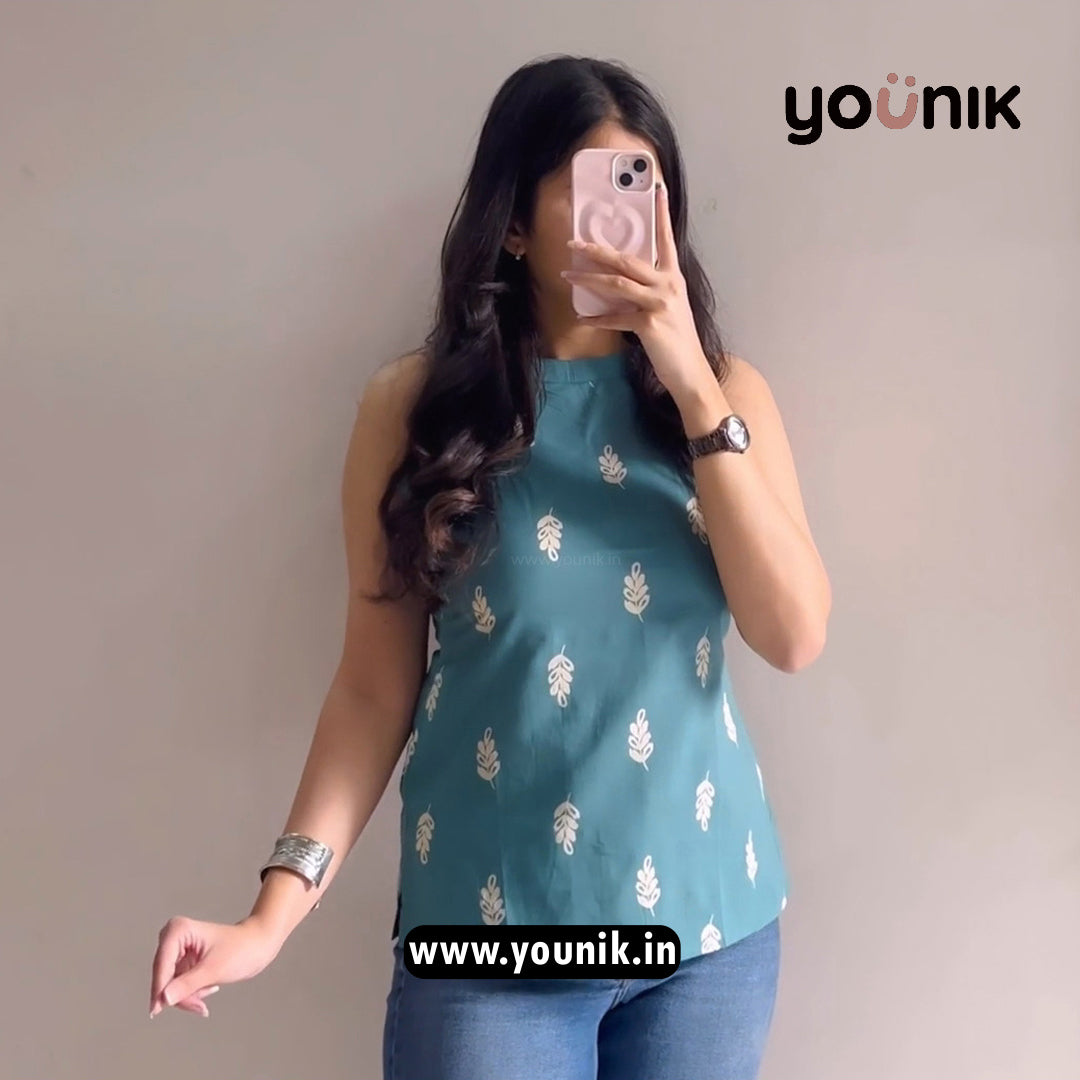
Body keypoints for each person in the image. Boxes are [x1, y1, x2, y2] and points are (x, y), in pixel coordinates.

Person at [149, 55, 830, 1080]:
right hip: (491, 940)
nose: (629, 221)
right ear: (513, 224)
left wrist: (692, 383)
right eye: (597, 188)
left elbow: (794, 635)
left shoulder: (729, 397)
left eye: (647, 187)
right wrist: (269, 917)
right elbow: (373, 688)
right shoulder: (413, 411)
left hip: (709, 936)